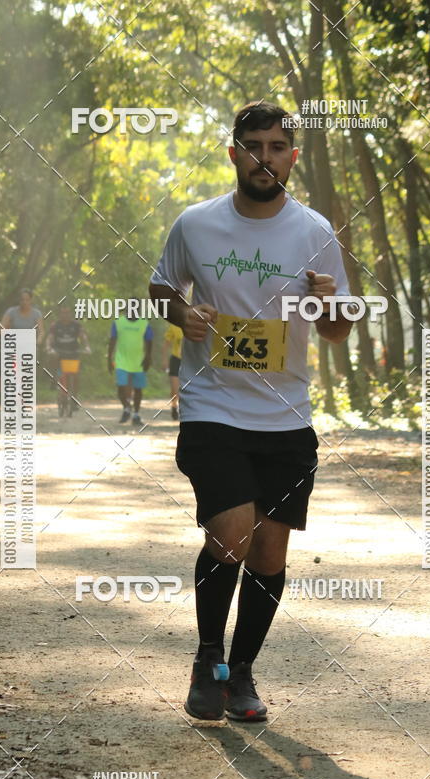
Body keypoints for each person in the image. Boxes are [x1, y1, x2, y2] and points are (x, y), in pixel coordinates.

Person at [149, 101, 353, 722]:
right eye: (253, 145)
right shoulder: (196, 224)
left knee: (269, 555)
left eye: (277, 146)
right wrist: (181, 314)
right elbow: (162, 288)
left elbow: (338, 331)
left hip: (287, 417)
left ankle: (240, 673)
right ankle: (208, 660)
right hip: (212, 405)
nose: (265, 157)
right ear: (234, 152)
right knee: (231, 532)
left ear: (292, 156)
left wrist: (330, 306)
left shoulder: (315, 231)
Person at [0, 289, 44, 395]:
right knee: (2, 360)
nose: (24, 302)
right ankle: (0, 388)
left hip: (28, 344)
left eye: (27, 300)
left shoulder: (36, 314)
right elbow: (2, 326)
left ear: (31, 300)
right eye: (22, 300)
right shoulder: (11, 311)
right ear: (19, 300)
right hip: (13, 342)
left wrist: (39, 340)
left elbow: (41, 331)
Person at [108, 313, 153, 426]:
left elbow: (149, 341)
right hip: (121, 361)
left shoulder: (144, 323)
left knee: (138, 389)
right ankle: (127, 408)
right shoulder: (118, 322)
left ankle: (136, 414)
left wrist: (148, 357)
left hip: (138, 362)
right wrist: (109, 358)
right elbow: (112, 340)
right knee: (121, 387)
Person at [46, 305, 91, 413]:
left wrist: (87, 347)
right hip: (59, 353)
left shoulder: (76, 325)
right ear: (59, 314)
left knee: (76, 376)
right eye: (63, 313)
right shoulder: (55, 325)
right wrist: (48, 347)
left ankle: (74, 399)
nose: (65, 315)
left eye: (67, 313)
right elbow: (50, 338)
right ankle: (54, 378)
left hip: (73, 353)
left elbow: (83, 337)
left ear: (71, 314)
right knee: (53, 357)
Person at [163, 322, 183, 421]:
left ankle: (183, 409)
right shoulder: (174, 326)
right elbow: (166, 344)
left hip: (189, 360)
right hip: (176, 359)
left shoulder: (194, 325)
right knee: (175, 388)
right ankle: (174, 406)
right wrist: (165, 360)